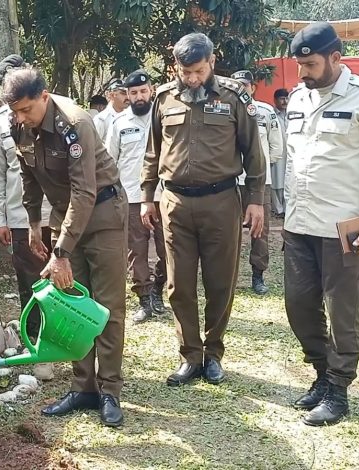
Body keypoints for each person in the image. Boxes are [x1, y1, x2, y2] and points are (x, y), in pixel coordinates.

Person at [284, 22, 359, 426]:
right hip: (299, 223)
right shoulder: (298, 97)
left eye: (311, 65)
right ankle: (321, 374)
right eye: (299, 65)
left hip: (344, 227)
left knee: (342, 312)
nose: (303, 73)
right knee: (298, 306)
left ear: (336, 58)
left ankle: (338, 390)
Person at [1, 67, 128, 427]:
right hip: (65, 217)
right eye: (15, 111)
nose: (20, 118)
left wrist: (60, 253)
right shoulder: (18, 124)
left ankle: (110, 390)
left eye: (26, 109)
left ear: (43, 96)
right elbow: (28, 174)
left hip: (103, 213)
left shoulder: (75, 123)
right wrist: (34, 222)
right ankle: (83, 387)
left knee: (106, 307)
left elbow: (85, 191)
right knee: (72, 304)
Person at [142, 33, 266, 387]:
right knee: (178, 284)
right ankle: (189, 355)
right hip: (175, 204)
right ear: (176, 67)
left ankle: (213, 355)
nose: (192, 78)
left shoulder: (234, 97)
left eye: (198, 71)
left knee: (220, 282)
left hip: (221, 201)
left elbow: (253, 151)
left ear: (212, 61)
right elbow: (153, 151)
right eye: (185, 72)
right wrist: (147, 196)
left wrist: (256, 199)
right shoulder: (164, 98)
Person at [0, 54, 53, 377]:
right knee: (31, 284)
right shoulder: (0, 123)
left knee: (66, 283)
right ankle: (39, 349)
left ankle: (69, 345)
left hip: (59, 214)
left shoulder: (50, 112)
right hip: (21, 217)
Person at [105, 69, 167, 323]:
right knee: (137, 250)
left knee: (168, 248)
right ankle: (144, 298)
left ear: (151, 90)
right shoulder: (119, 123)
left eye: (143, 91)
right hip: (131, 197)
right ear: (127, 95)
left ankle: (159, 289)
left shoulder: (163, 118)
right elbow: (109, 161)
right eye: (134, 93)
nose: (139, 96)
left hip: (164, 195)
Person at [231, 70, 284, 295]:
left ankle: (258, 275)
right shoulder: (223, 110)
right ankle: (229, 276)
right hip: (231, 182)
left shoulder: (265, 112)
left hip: (260, 183)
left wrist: (259, 168)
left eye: (245, 85)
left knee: (260, 231)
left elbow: (276, 147)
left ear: (253, 87)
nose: (241, 89)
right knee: (228, 232)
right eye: (237, 85)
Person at [271, 88, 290, 218]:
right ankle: (278, 209)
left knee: (288, 181)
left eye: (286, 98)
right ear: (275, 100)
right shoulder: (271, 114)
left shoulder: (291, 114)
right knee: (276, 181)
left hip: (290, 153)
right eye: (282, 99)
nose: (284, 101)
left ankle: (286, 208)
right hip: (277, 153)